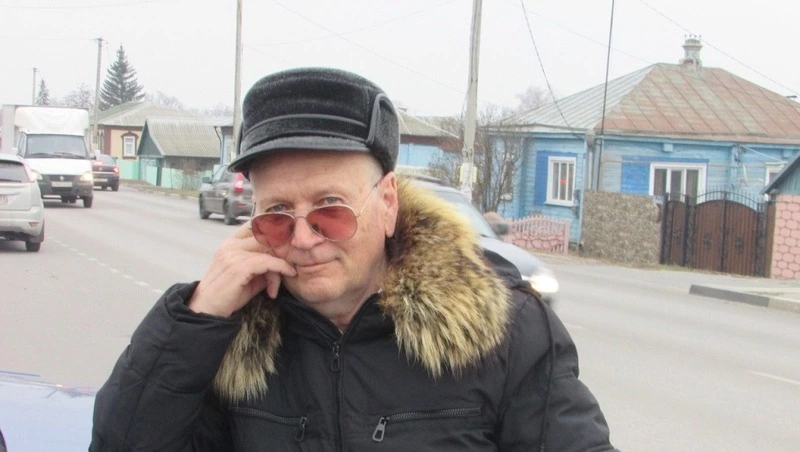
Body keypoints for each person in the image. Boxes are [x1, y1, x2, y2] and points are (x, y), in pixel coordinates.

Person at [90, 67, 617, 451]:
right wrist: (197, 317)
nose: (303, 238)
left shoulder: (501, 330)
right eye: (277, 214)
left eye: (330, 209)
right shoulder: (229, 340)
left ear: (387, 203)